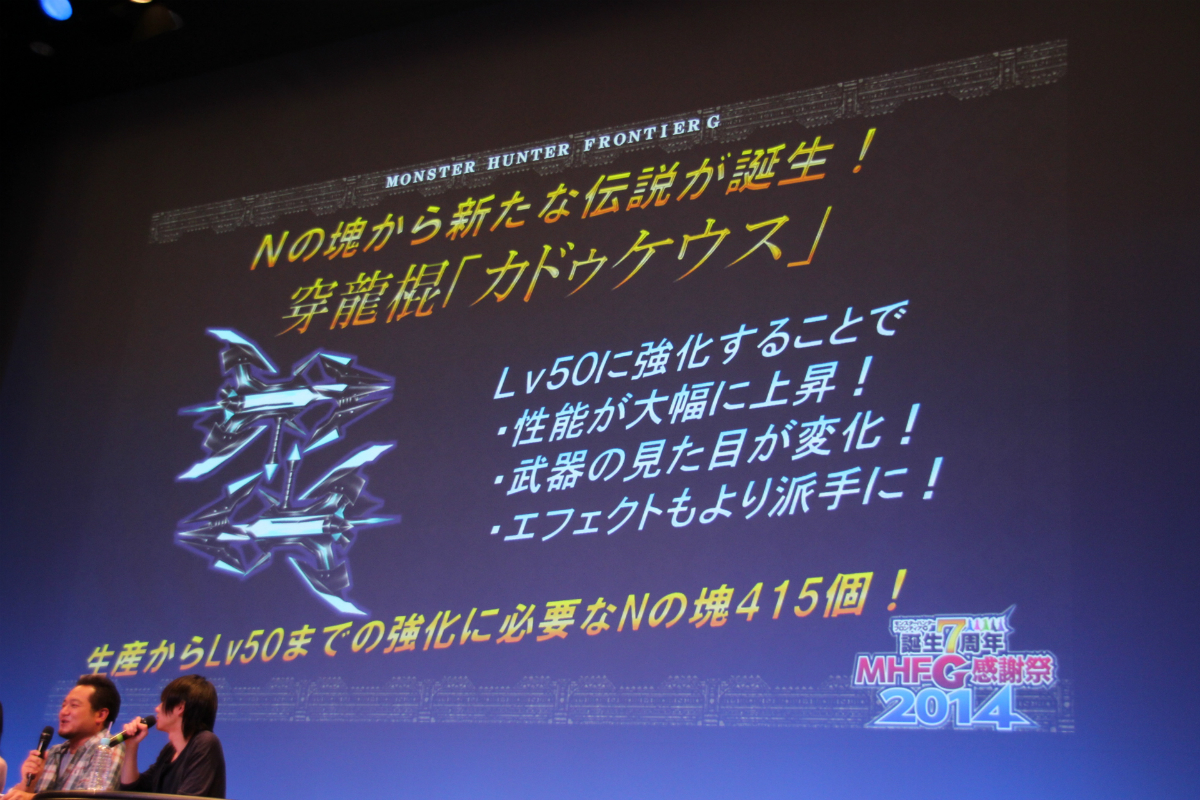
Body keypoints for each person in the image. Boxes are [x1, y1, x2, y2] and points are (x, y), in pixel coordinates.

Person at [1, 675, 123, 800]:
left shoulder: (108, 749)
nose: (64, 712)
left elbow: (92, 798)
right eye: (63, 705)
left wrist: (33, 798)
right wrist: (28, 783)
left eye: (74, 705)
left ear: (101, 715)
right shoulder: (53, 753)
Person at [118, 674, 225, 798]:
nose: (157, 708)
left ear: (180, 707)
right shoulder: (169, 751)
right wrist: (131, 746)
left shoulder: (205, 743)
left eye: (163, 702)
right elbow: (132, 791)